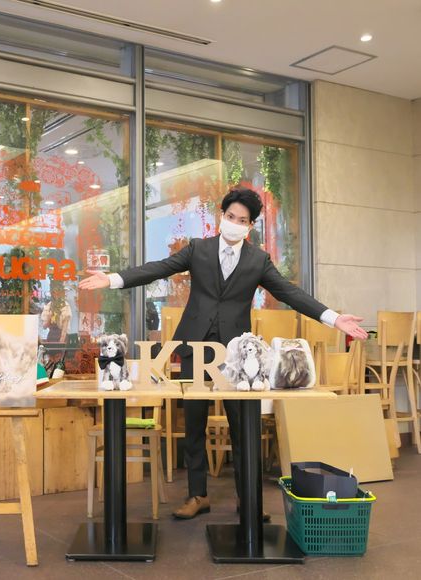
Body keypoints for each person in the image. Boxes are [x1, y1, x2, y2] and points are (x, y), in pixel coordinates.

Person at [79, 187, 367, 520]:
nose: (234, 223)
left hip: (237, 354)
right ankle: (197, 495)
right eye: (230, 216)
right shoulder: (198, 249)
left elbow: (289, 292)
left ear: (250, 225)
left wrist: (333, 318)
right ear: (222, 216)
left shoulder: (258, 260)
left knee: (243, 425)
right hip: (194, 345)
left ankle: (248, 500)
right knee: (194, 424)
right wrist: (113, 279)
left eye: (242, 220)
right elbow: (159, 268)